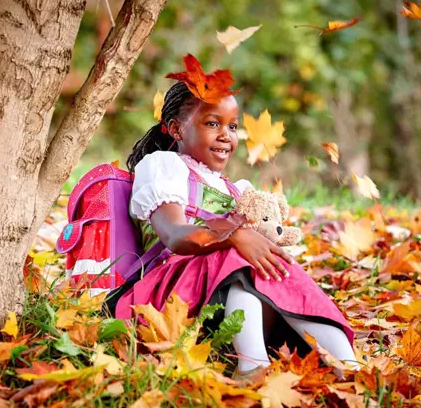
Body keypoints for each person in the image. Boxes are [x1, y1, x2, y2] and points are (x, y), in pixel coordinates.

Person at [105, 80, 357, 381]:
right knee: (234, 258)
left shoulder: (236, 190)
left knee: (280, 268)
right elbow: (173, 236)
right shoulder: (164, 166)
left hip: (223, 305)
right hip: (167, 295)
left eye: (233, 127)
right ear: (176, 129)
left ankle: (348, 366)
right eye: (213, 124)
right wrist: (235, 236)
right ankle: (251, 366)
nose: (225, 135)